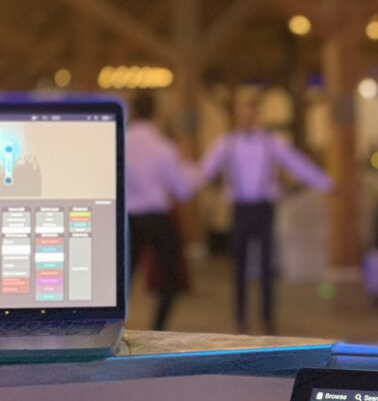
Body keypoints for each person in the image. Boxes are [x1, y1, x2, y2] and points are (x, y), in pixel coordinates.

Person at [199, 97, 333, 334]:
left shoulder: (272, 142)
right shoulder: (227, 143)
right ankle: (240, 317)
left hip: (264, 208)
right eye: (243, 114)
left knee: (266, 265)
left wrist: (327, 184)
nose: (247, 118)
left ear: (257, 116)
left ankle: (267, 316)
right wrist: (180, 187)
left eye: (250, 114)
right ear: (238, 117)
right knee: (239, 266)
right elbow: (204, 170)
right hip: (240, 209)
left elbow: (297, 163)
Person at [125, 92, 194, 330]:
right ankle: (158, 327)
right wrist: (187, 163)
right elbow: (182, 191)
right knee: (171, 279)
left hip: (129, 219)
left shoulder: (120, 143)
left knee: (123, 280)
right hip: (158, 217)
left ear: (133, 111)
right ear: (155, 112)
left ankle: (118, 327)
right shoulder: (164, 147)